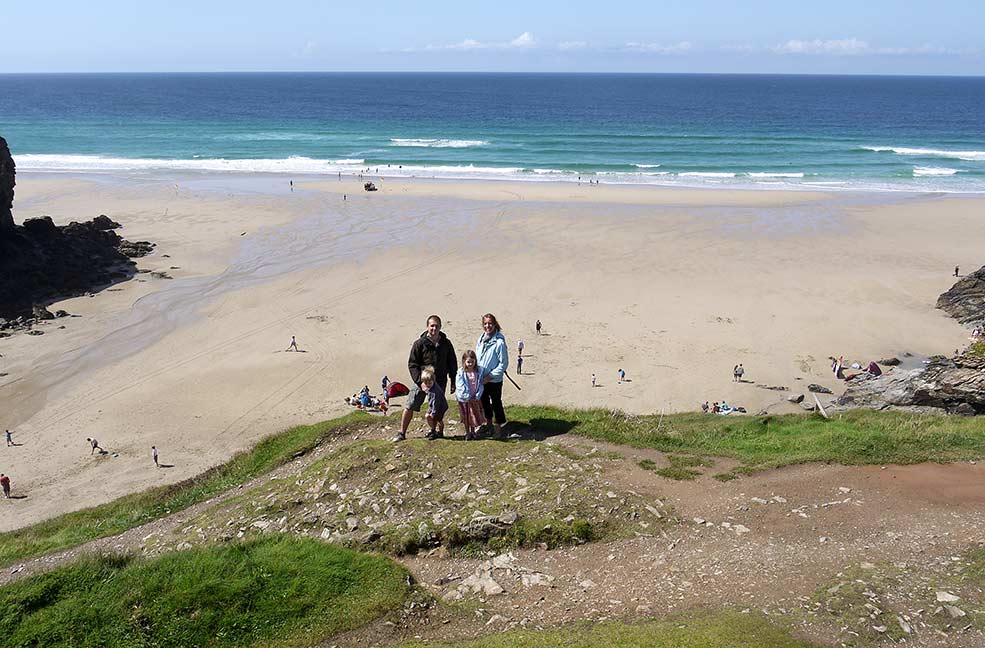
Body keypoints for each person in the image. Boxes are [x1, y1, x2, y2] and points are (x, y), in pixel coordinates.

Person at [392, 315, 457, 442]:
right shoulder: (419, 344)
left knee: (436, 409)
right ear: (427, 327)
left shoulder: (446, 343)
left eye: (436, 326)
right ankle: (401, 432)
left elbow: (452, 363)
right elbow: (412, 364)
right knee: (410, 404)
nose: (434, 328)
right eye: (432, 325)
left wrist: (453, 380)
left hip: (439, 381)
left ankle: (436, 431)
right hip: (423, 381)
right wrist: (420, 382)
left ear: (440, 327)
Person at [475, 313, 508, 439]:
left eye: (490, 323)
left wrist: (491, 376)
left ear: (494, 324)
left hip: (494, 380)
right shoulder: (481, 338)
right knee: (484, 402)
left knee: (496, 403)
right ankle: (488, 424)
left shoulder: (499, 342)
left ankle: (498, 429)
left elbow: (503, 363)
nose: (487, 326)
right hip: (482, 378)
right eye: (485, 324)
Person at [456, 350, 486, 440]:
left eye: (472, 362)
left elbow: (480, 384)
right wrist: (466, 396)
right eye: (468, 362)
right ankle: (467, 432)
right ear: (464, 361)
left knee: (473, 415)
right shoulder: (461, 372)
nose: (470, 364)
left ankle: (473, 432)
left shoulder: (478, 371)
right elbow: (460, 385)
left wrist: (478, 395)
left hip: (474, 398)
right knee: (466, 416)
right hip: (465, 399)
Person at [419, 367, 448, 440]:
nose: (428, 384)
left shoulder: (435, 391)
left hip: (440, 407)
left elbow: (436, 403)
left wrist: (433, 413)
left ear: (433, 380)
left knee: (439, 419)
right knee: (428, 417)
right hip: (433, 405)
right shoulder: (430, 387)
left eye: (429, 383)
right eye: (426, 383)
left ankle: (440, 432)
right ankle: (433, 430)